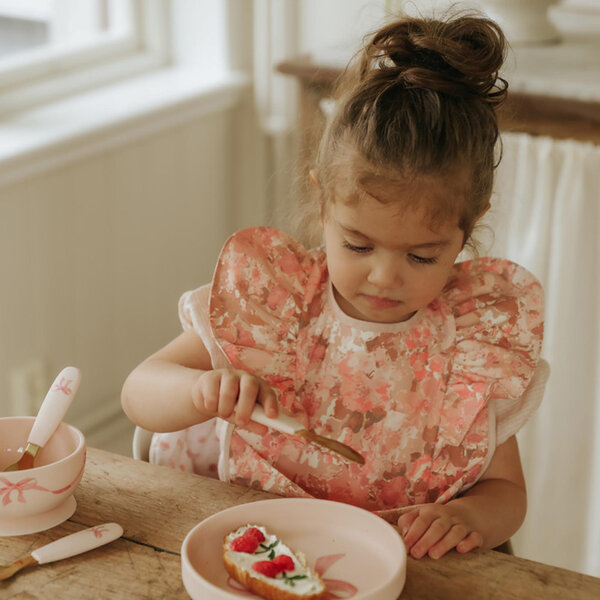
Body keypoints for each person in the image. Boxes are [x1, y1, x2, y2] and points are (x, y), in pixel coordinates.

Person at [122, 13, 546, 560]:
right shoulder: (274, 301)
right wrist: (200, 392)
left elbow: (506, 492)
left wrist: (470, 517)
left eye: (422, 255)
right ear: (322, 202)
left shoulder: (472, 340)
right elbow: (139, 391)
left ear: (470, 226)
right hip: (258, 554)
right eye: (359, 246)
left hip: (401, 569)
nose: (385, 276)